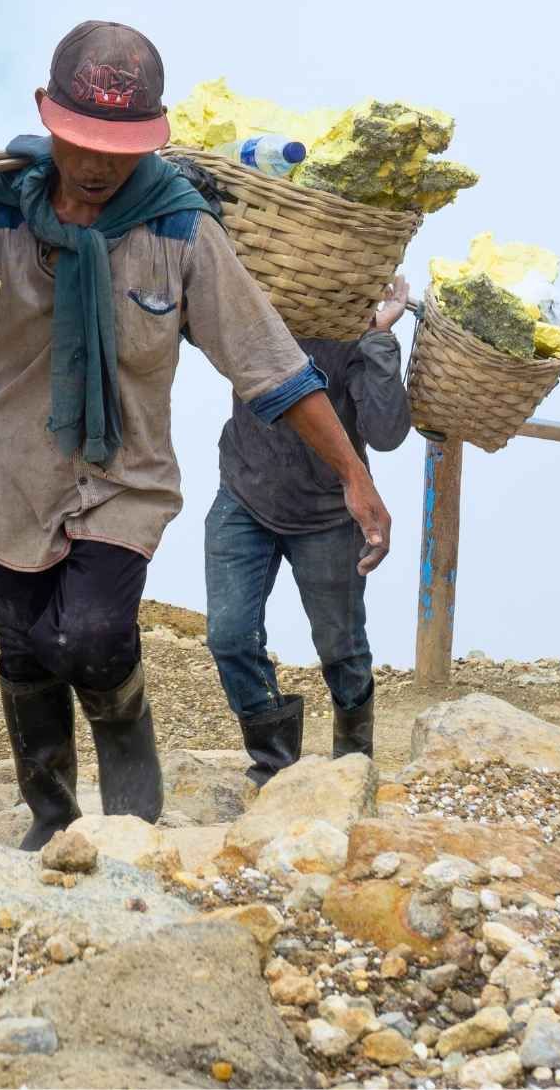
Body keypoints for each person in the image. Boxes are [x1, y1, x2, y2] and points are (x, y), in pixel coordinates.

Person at [0, 20, 392, 849]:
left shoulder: (182, 230)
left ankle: (131, 812)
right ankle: (50, 820)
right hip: (10, 470)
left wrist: (352, 477)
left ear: (149, 140)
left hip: (124, 477)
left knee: (92, 635)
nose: (95, 164)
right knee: (21, 649)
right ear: (46, 117)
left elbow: (270, 364)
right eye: (80, 141)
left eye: (118, 147)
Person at [205, 273, 413, 786]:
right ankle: (274, 765)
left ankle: (352, 763)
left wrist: (380, 338)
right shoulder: (259, 301)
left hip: (326, 512)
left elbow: (386, 434)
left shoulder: (355, 327)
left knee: (341, 646)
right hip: (245, 493)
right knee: (230, 636)